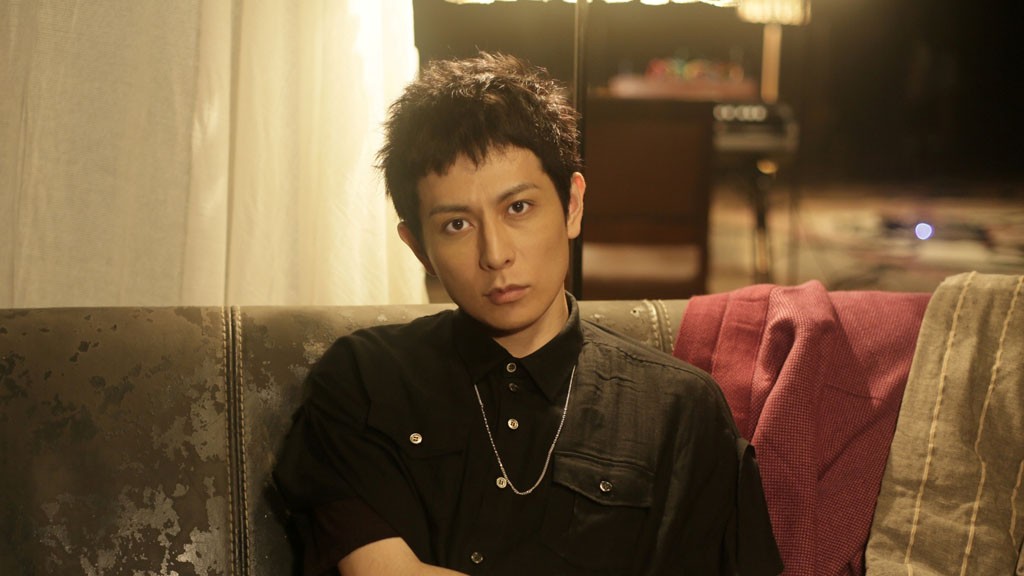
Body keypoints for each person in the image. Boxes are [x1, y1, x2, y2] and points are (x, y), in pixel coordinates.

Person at [274, 52, 782, 576]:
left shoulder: (679, 408)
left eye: (518, 207)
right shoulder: (363, 381)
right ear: (418, 247)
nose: (495, 255)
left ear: (572, 205)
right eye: (456, 225)